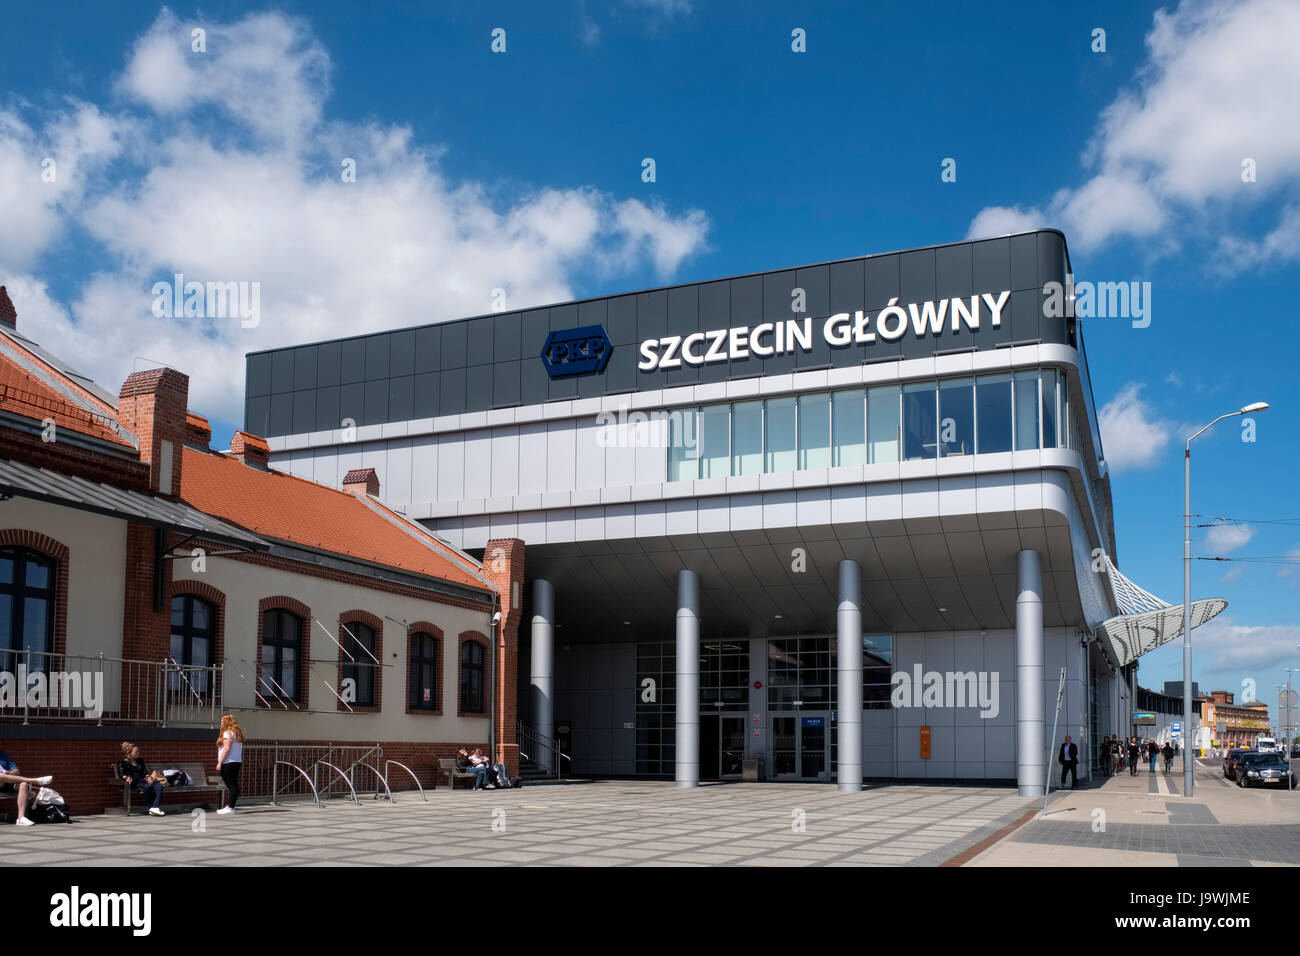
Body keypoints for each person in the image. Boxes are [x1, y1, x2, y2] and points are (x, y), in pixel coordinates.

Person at [0, 750, 53, 827]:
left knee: (23, 784)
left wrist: (8, 774)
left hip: (9, 782)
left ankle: (20, 818)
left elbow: (16, 771)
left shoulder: (2, 754)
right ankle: (34, 780)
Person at [117, 742, 165, 816]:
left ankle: (155, 806)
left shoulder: (140, 760)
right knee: (148, 787)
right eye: (136, 752)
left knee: (158, 785)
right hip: (134, 782)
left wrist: (148, 776)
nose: (138, 753)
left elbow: (144, 772)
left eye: (138, 751)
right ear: (128, 752)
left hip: (142, 780)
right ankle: (151, 807)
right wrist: (126, 777)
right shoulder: (122, 762)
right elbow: (121, 774)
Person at [215, 714, 244, 815]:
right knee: (233, 785)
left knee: (231, 785)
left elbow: (226, 749)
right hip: (236, 762)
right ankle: (230, 806)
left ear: (227, 722)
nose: (221, 723)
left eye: (222, 721)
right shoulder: (237, 734)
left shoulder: (227, 733)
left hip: (228, 762)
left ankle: (230, 807)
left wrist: (219, 762)